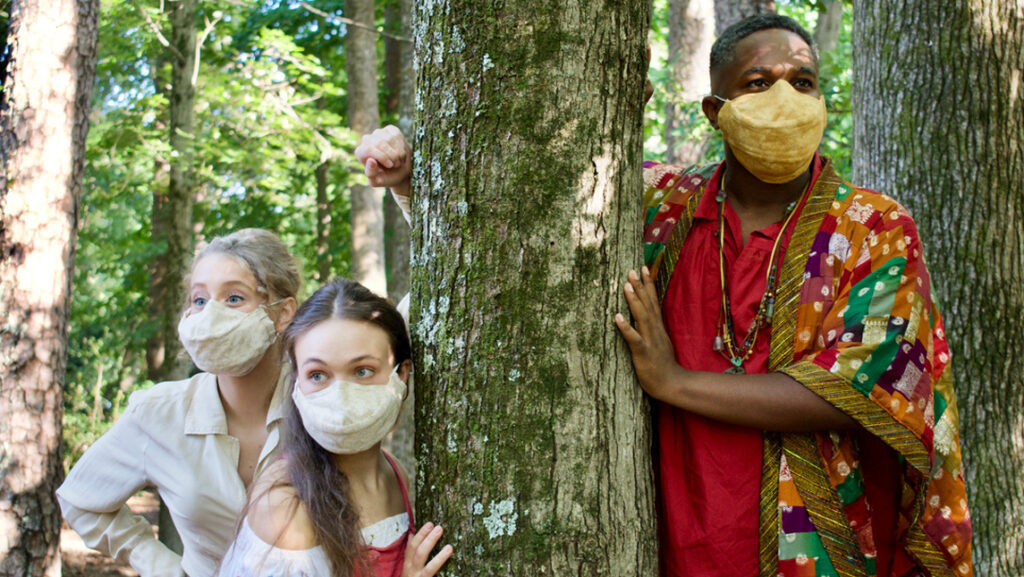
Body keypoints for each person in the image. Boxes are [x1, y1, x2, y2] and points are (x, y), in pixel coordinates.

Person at [613, 13, 972, 577]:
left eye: (803, 82)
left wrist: (672, 382)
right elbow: (545, 197)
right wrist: (417, 175)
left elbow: (859, 390)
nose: (785, 98)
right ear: (715, 111)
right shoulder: (663, 207)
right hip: (670, 537)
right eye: (758, 83)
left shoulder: (872, 227)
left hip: (813, 547)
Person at [57, 228, 300, 577]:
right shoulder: (160, 411)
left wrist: (400, 190)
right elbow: (80, 501)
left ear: (282, 312)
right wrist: (162, 566)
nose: (210, 316)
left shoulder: (317, 401)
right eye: (200, 300)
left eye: (234, 298)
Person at [217, 278, 453, 577]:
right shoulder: (288, 504)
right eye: (318, 375)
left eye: (363, 371)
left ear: (401, 374)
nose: (340, 397)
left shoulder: (396, 476)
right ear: (297, 383)